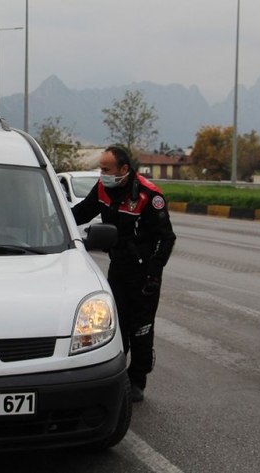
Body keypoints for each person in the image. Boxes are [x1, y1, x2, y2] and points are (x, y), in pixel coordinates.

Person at [72, 145, 176, 402]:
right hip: (118, 268)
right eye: (101, 168)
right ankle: (116, 376)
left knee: (140, 328)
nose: (102, 173)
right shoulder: (102, 189)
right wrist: (54, 222)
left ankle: (137, 380)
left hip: (144, 274)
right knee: (115, 325)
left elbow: (166, 237)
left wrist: (154, 274)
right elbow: (81, 213)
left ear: (124, 169)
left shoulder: (149, 196)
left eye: (106, 169)